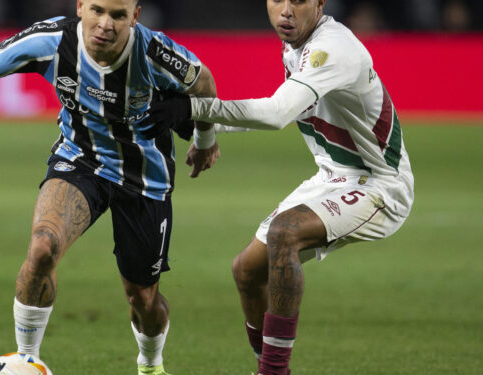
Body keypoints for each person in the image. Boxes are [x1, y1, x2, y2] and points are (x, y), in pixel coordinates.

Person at [0, 1, 219, 374]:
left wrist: (204, 140)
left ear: (134, 17)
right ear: (81, 7)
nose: (105, 24)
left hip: (145, 179)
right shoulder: (53, 40)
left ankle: (150, 366)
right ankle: (27, 359)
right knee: (42, 247)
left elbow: (204, 84)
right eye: (97, 10)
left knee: (143, 299)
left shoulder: (155, 54)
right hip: (80, 160)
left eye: (118, 16)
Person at [142, 1, 414, 374]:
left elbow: (277, 113)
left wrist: (195, 110)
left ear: (319, 4)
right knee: (247, 271)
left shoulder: (332, 48)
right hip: (332, 175)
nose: (285, 10)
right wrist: (212, 128)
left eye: (298, 1)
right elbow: (293, 108)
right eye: (276, 0)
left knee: (285, 234)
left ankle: (273, 371)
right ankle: (266, 368)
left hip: (379, 185)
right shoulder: (297, 46)